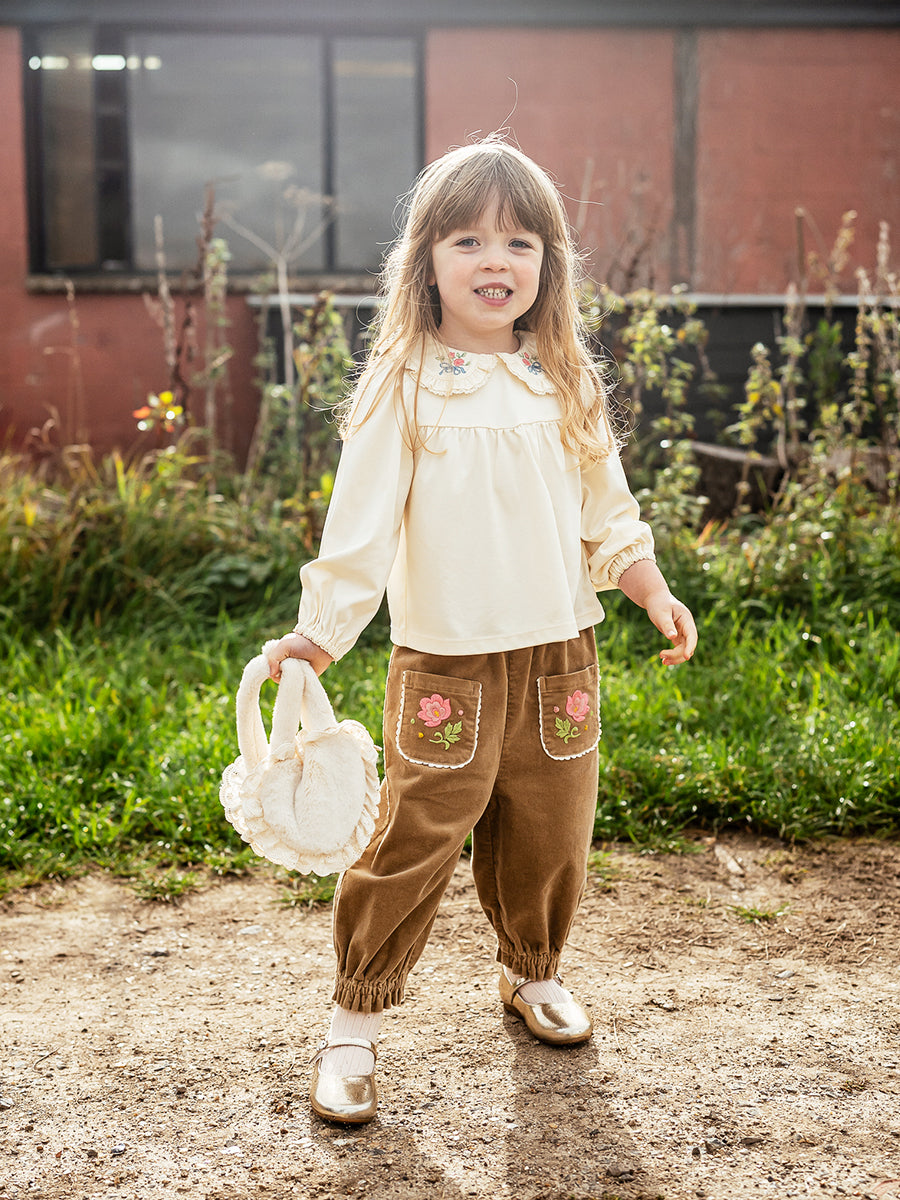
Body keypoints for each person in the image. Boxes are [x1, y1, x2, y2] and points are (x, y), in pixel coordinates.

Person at [264, 139, 697, 1125]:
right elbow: (360, 532)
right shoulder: (404, 385)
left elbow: (607, 514)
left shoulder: (567, 379)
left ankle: (532, 970)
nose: (494, 260)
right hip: (446, 664)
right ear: (426, 261)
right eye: (467, 240)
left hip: (560, 655)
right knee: (415, 835)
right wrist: (318, 637)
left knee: (550, 828)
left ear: (549, 263)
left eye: (519, 242)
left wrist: (649, 587)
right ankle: (354, 1021)